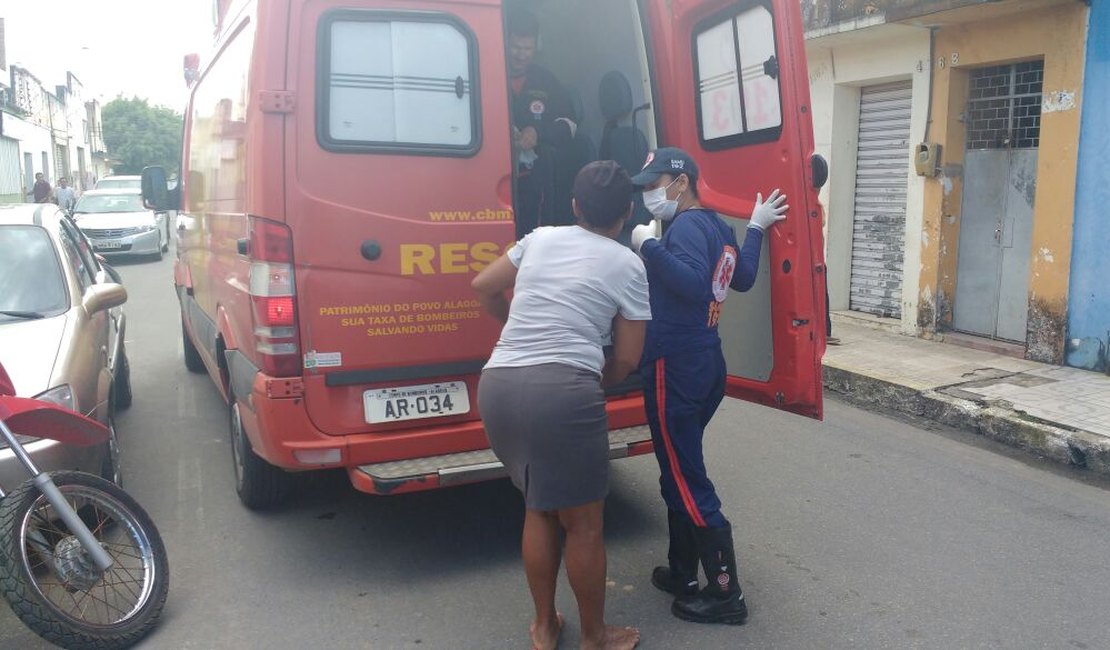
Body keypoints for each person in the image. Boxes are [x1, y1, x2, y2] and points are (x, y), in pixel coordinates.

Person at [473, 161, 648, 650]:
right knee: (585, 523)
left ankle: (545, 627)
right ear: (628, 212)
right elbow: (629, 356)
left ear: (574, 206)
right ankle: (594, 636)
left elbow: (482, 286)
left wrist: (513, 325)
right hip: (564, 393)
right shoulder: (628, 264)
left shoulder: (540, 238)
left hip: (499, 384)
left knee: (540, 506)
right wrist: (588, 379)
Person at [628, 148, 788, 626]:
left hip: (675, 365)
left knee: (686, 476)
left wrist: (647, 247)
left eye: (654, 184)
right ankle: (683, 572)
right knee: (678, 468)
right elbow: (742, 278)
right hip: (704, 362)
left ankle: (725, 593)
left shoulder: (685, 227)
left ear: (681, 182)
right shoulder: (716, 226)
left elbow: (696, 284)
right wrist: (756, 228)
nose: (648, 194)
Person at [507, 8, 577, 237]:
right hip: (494, 176)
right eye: (516, 47)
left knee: (534, 240)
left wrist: (538, 133)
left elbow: (570, 125)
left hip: (537, 181)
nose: (521, 55)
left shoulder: (546, 80)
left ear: (536, 46)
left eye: (527, 48)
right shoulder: (486, 72)